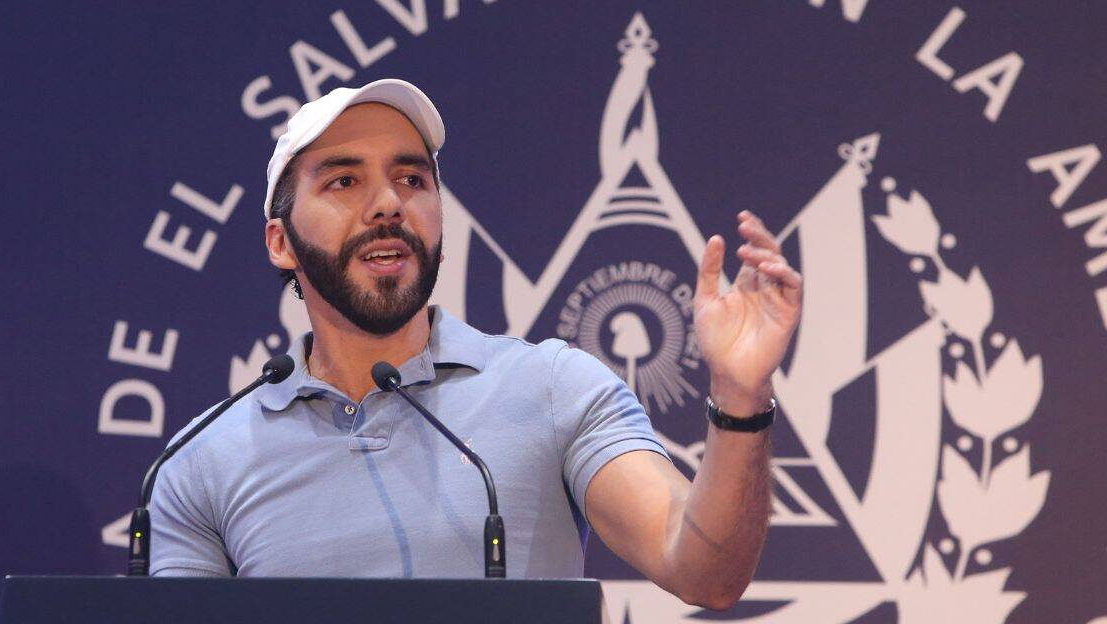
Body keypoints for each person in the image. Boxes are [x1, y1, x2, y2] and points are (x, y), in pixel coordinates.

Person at [149, 79, 802, 610]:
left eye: (412, 179)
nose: (388, 204)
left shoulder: (553, 388)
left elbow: (705, 572)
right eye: (344, 182)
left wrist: (739, 394)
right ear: (280, 242)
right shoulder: (200, 459)